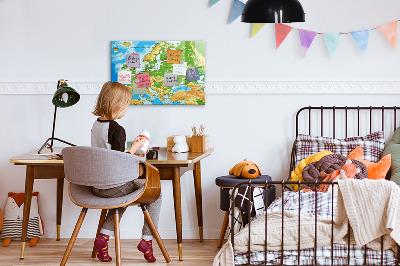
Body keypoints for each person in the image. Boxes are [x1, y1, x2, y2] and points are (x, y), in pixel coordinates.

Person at [91, 81, 161, 263]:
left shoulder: (96, 125)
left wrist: (130, 150)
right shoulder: (117, 129)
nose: (127, 109)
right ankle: (147, 240)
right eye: (127, 105)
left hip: (97, 186)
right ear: (118, 105)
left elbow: (108, 154)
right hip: (113, 186)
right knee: (156, 194)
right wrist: (135, 149)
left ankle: (103, 238)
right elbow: (118, 161)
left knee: (122, 197)